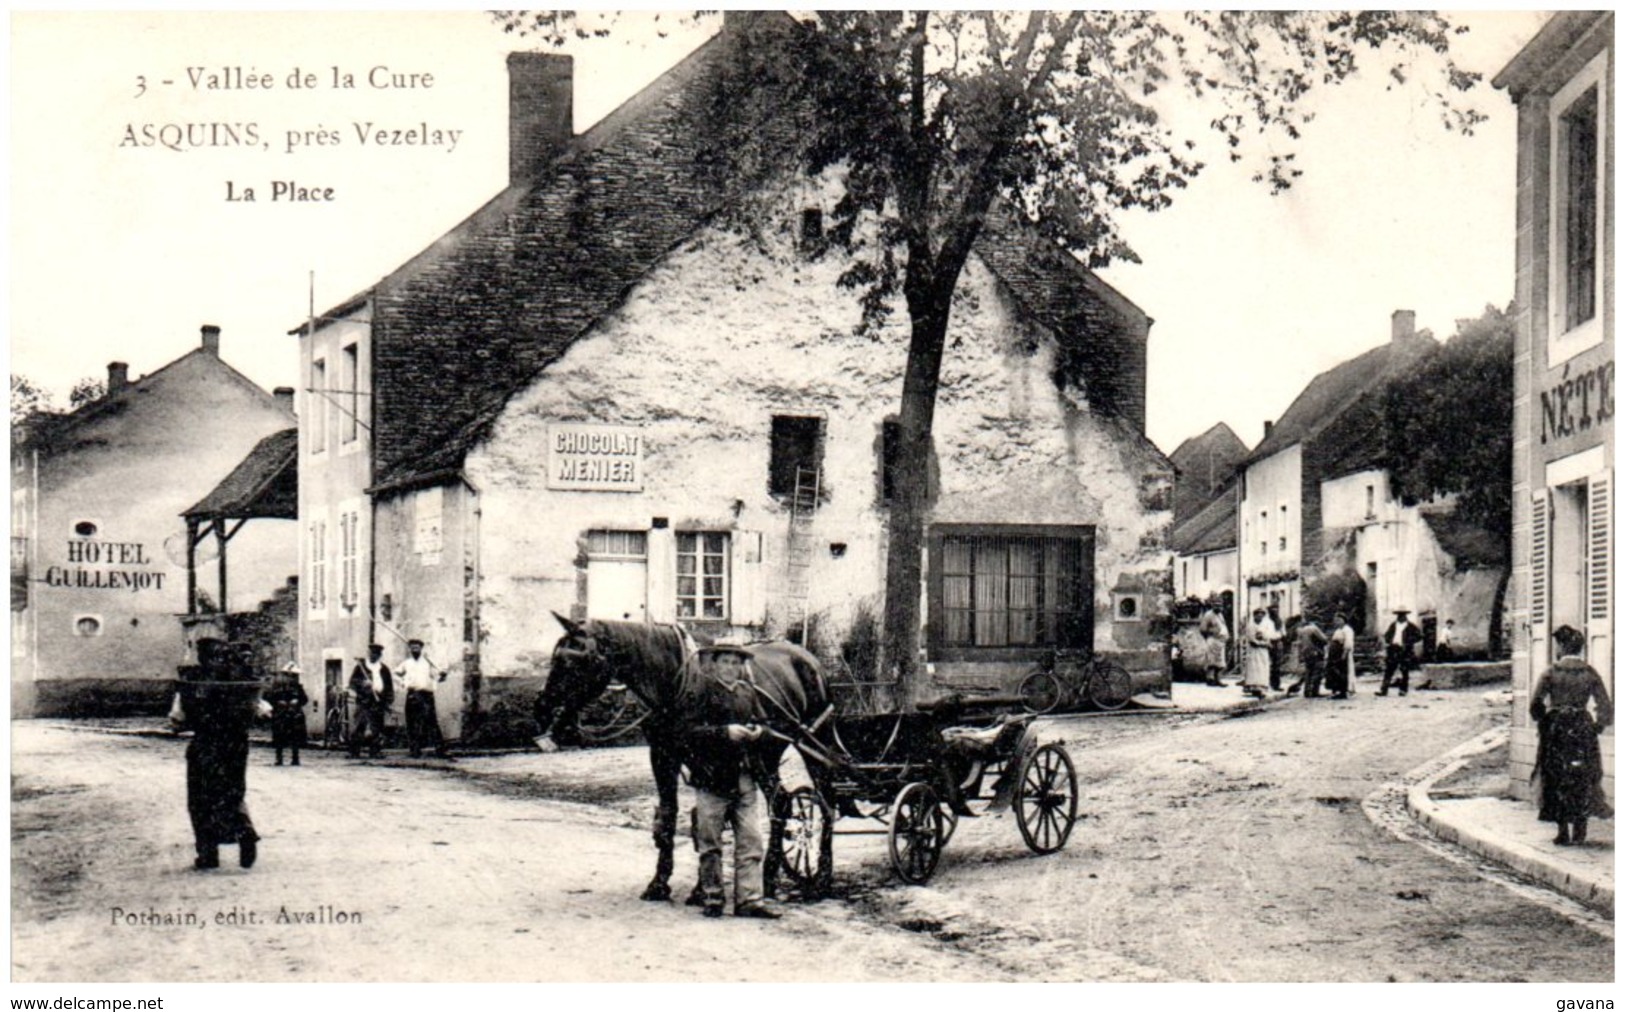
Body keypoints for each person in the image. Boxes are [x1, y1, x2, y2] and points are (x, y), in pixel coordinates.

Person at [681, 646, 782, 920]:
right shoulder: (701, 691)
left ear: (741, 667)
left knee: (751, 841)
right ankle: (713, 897)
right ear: (714, 665)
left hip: (744, 779)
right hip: (712, 779)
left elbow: (765, 723)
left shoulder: (747, 692)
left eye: (735, 663)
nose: (730, 667)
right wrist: (724, 732)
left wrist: (759, 731)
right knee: (710, 842)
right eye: (725, 662)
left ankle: (749, 901)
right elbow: (687, 732)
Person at [171, 639, 262, 870]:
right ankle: (245, 831)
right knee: (232, 792)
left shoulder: (193, 680)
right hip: (236, 744)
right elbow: (259, 709)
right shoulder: (242, 679)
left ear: (202, 657)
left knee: (200, 799)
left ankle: (208, 854)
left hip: (205, 743)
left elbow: (178, 718)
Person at [1530, 625, 1613, 846]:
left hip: (1557, 728)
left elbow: (1535, 703)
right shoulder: (1589, 672)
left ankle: (1562, 830)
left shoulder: (1551, 671)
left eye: (1558, 644)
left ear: (1562, 646)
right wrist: (1599, 725)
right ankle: (1580, 827)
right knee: (1585, 775)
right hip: (1582, 728)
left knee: (1556, 775)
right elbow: (1605, 704)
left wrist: (1543, 721)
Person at [401, 638, 451, 759]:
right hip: (412, 694)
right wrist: (404, 683)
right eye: (412, 648)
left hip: (426, 696)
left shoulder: (428, 663)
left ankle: (440, 750)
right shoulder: (406, 663)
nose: (414, 650)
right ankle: (414, 750)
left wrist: (443, 675)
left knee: (431, 722)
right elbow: (396, 674)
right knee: (412, 723)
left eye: (417, 647)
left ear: (421, 649)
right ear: (409, 649)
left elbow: (439, 678)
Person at [348, 644, 394, 758]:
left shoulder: (384, 669)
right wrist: (364, 684)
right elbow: (353, 682)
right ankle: (355, 751)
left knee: (377, 726)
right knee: (360, 725)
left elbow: (389, 686)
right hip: (364, 700)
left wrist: (388, 700)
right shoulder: (361, 667)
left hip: (379, 700)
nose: (373, 656)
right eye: (371, 653)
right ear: (368, 654)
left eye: (376, 654)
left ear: (380, 655)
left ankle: (375, 751)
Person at [264, 662, 310, 766]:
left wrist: (297, 701)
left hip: (294, 713)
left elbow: (305, 699)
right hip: (280, 714)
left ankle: (295, 758)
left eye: (295, 676)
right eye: (292, 675)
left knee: (295, 736)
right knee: (279, 736)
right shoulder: (276, 686)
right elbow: (268, 697)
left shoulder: (298, 687)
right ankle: (279, 758)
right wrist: (278, 702)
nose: (293, 678)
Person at [1378, 608, 1423, 697]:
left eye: (1402, 615)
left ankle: (1403, 690)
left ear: (1406, 616)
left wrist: (1409, 642)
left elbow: (1419, 636)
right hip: (1393, 649)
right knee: (1389, 670)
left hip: (1405, 650)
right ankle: (1384, 690)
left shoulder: (1411, 626)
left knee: (1404, 670)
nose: (1400, 617)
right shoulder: (1393, 625)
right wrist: (1389, 642)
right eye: (1399, 615)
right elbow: (1387, 635)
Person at [1288, 615, 1329, 697]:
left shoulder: (1301, 630)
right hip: (1316, 652)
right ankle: (1314, 691)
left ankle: (1307, 691)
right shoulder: (1314, 628)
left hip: (1306, 653)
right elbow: (1324, 639)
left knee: (1308, 672)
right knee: (1317, 673)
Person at [1241, 607, 1274, 698]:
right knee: (1254, 667)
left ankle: (1261, 687)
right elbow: (1252, 641)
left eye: (1262, 616)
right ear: (1254, 616)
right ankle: (1254, 687)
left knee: (1263, 667)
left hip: (1263, 652)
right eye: (1257, 615)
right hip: (1254, 650)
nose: (1259, 617)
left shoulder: (1264, 626)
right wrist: (1264, 644)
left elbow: (1267, 637)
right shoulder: (1251, 626)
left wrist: (1266, 641)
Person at [1325, 613, 1357, 699]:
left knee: (1341, 672)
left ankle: (1342, 691)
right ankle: (1335, 690)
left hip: (1341, 653)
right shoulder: (1338, 630)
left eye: (1339, 620)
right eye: (1336, 620)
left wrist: (1344, 654)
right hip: (1334, 655)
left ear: (1344, 620)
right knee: (1334, 672)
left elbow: (1348, 643)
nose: (1337, 622)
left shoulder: (1347, 630)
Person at [1198, 604, 1230, 686]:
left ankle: (1218, 679)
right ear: (1212, 606)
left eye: (1220, 606)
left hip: (1221, 641)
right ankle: (1210, 679)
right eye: (1217, 606)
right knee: (1211, 661)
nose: (1219, 608)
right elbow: (1202, 629)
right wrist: (1211, 634)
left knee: (1220, 662)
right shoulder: (1208, 615)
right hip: (1213, 640)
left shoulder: (1220, 614)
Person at [1266, 604, 1286, 691]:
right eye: (1273, 610)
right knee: (1268, 664)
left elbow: (1283, 633)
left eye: (1276, 609)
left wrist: (1281, 638)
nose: (1275, 611)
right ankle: (1267, 683)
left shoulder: (1280, 621)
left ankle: (1276, 684)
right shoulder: (1266, 621)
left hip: (1278, 642)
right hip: (1268, 642)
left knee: (1277, 665)